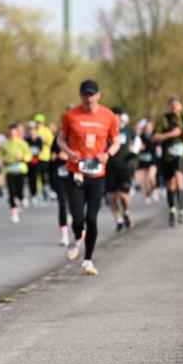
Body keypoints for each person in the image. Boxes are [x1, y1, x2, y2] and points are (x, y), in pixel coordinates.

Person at [57, 79, 120, 276]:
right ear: (81, 96)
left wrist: (107, 154)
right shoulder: (70, 115)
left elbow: (116, 141)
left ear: (98, 95)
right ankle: (77, 235)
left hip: (97, 173)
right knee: (78, 218)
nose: (89, 98)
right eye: (85, 94)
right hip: (76, 171)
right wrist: (68, 151)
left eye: (92, 94)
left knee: (92, 218)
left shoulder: (108, 116)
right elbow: (60, 139)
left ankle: (88, 260)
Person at [153, 96, 183, 227]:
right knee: (171, 183)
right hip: (168, 156)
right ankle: (172, 210)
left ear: (181, 106)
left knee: (180, 179)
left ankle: (181, 210)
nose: (174, 106)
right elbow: (154, 137)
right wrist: (170, 134)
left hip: (182, 156)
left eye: (177, 104)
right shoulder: (163, 120)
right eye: (172, 104)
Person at [105, 108, 137, 232]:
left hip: (125, 166)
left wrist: (133, 152)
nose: (115, 119)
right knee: (111, 197)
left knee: (123, 195)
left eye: (117, 117)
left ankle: (127, 212)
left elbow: (137, 141)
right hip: (110, 166)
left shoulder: (128, 130)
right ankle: (118, 220)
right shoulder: (106, 129)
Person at [0, 123, 31, 223]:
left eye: (14, 132)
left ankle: (22, 197)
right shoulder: (5, 144)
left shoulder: (22, 143)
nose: (12, 134)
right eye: (10, 132)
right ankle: (14, 213)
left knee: (19, 191)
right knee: (11, 193)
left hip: (20, 169)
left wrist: (23, 158)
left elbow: (29, 155)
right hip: (9, 170)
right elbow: (0, 156)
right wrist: (4, 160)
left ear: (17, 132)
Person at [49, 126, 73, 246]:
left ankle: (79, 231)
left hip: (73, 176)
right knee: (62, 204)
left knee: (74, 204)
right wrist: (56, 155)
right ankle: (64, 235)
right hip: (60, 176)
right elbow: (51, 157)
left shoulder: (77, 138)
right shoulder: (58, 138)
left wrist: (69, 156)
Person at [134, 119, 158, 203]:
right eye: (147, 127)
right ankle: (147, 194)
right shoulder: (140, 137)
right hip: (143, 160)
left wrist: (159, 148)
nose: (148, 128)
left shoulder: (155, 136)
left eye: (150, 127)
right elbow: (137, 146)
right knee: (145, 180)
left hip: (153, 160)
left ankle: (153, 190)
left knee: (151, 177)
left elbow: (159, 145)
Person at [33, 113, 56, 201]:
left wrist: (44, 140)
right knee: (38, 175)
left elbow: (51, 143)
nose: (38, 124)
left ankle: (49, 189)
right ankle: (40, 190)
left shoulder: (46, 131)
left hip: (46, 156)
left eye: (39, 122)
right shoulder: (34, 131)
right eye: (37, 122)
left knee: (47, 175)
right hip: (36, 157)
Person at [24, 121, 44, 206]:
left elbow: (39, 150)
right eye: (31, 132)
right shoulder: (26, 140)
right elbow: (25, 149)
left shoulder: (39, 140)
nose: (32, 134)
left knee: (36, 178)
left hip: (36, 161)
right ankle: (32, 195)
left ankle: (36, 194)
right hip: (28, 161)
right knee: (30, 179)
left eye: (34, 132)